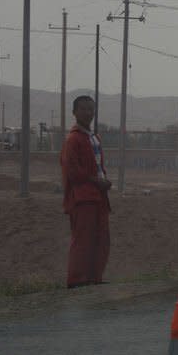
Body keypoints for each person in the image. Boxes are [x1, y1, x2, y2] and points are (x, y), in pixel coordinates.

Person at [60, 95, 111, 288]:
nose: (88, 113)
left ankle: (94, 277)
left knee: (101, 238)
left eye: (91, 109)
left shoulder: (93, 137)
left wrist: (103, 181)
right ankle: (76, 280)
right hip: (82, 197)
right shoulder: (73, 139)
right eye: (83, 109)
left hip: (98, 196)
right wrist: (97, 181)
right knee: (83, 239)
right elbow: (72, 171)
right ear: (74, 112)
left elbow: (97, 166)